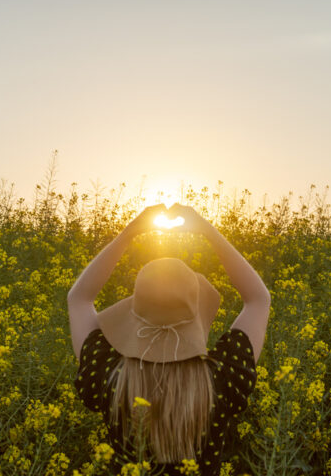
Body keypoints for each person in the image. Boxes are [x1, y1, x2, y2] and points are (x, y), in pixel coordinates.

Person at [68, 203, 271, 475]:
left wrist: (130, 233)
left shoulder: (109, 378)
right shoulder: (222, 380)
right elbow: (258, 299)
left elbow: (79, 300)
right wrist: (207, 230)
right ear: (195, 311)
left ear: (134, 315)